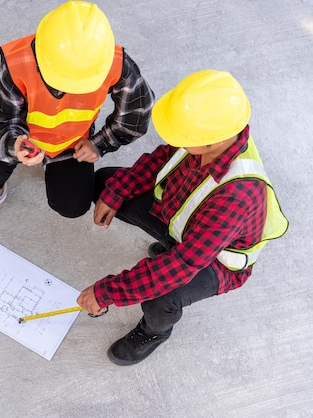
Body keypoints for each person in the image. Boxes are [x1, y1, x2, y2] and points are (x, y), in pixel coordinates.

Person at [77, 70, 289, 366]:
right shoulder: (209, 135)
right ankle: (165, 242)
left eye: (183, 138)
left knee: (161, 295)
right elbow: (162, 159)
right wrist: (117, 192)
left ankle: (154, 332)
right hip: (185, 228)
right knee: (106, 184)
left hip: (215, 260)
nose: (176, 141)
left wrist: (107, 292)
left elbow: (181, 265)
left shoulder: (236, 198)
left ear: (210, 142)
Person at [0, 1, 155, 232]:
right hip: (20, 134)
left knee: (73, 206)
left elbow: (135, 117)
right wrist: (13, 144)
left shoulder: (116, 64)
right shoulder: (18, 61)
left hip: (72, 144)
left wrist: (99, 144)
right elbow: (1, 117)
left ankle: (53, 169)